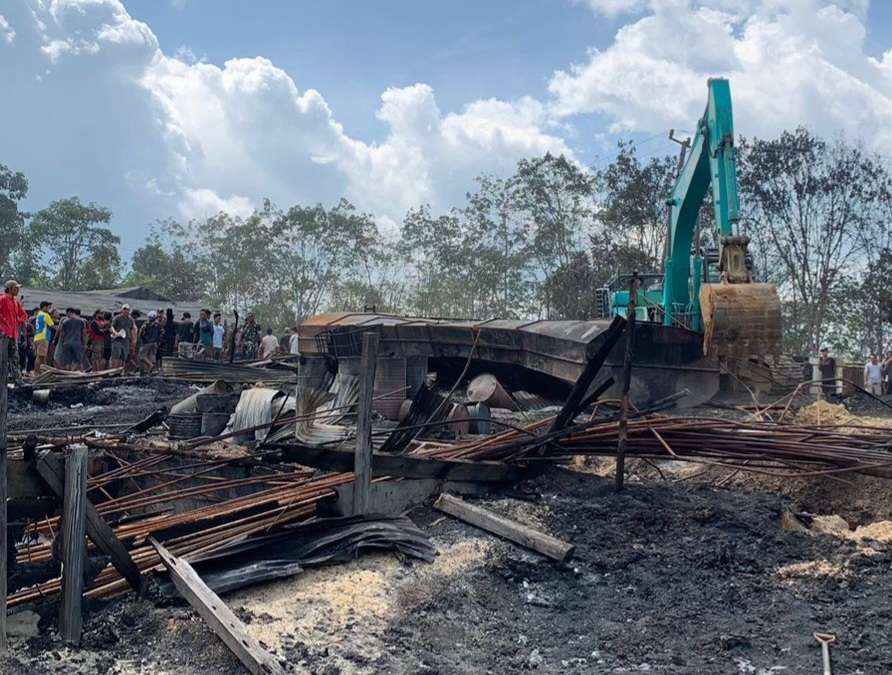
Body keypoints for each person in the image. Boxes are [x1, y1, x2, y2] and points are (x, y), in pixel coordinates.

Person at [0, 280, 28, 381]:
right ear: (10, 288)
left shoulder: (16, 303)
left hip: (13, 335)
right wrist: (3, 323)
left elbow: (24, 315)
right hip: (3, 335)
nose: (18, 290)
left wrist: (18, 321)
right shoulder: (2, 299)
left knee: (15, 358)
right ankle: (3, 380)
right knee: (3, 359)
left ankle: (17, 379)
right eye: (16, 288)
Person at [56, 307, 86, 371]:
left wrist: (62, 343)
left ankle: (68, 373)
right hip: (77, 343)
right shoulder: (81, 321)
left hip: (66, 343)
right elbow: (83, 334)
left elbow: (62, 334)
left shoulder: (65, 322)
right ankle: (76, 373)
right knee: (78, 360)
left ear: (69, 312)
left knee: (67, 361)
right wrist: (84, 344)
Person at [110, 304, 136, 370]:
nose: (125, 311)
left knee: (124, 357)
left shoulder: (131, 320)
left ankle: (121, 371)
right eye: (124, 310)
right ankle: (113, 371)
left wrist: (133, 341)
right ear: (122, 310)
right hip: (117, 339)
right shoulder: (117, 318)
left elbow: (133, 330)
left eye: (127, 310)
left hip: (126, 340)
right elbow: (112, 327)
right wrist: (115, 332)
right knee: (116, 356)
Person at [33, 300, 54, 374]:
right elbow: (52, 326)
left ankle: (38, 372)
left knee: (39, 356)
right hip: (43, 337)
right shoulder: (46, 315)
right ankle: (38, 373)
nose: (49, 308)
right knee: (41, 357)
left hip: (37, 337)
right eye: (48, 307)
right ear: (44, 307)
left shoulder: (39, 314)